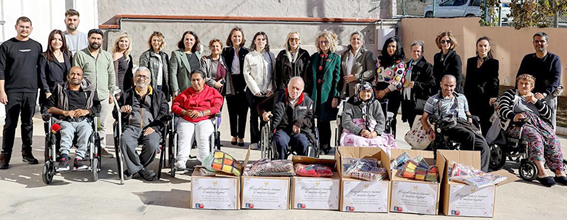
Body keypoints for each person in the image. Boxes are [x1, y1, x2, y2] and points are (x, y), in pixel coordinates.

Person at [498, 74, 567, 187]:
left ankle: (559, 172)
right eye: (521, 83)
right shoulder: (510, 94)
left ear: (532, 86)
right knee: (535, 137)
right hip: (518, 125)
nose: (524, 86)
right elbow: (503, 108)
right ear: (517, 84)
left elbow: (548, 114)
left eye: (527, 84)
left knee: (552, 137)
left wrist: (537, 102)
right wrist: (514, 116)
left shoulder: (536, 97)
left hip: (538, 124)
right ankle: (541, 172)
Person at [420, 75, 490, 172]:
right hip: (447, 125)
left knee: (484, 146)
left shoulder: (462, 97)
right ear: (441, 84)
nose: (449, 88)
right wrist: (429, 131)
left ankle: (481, 173)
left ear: (455, 85)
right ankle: (466, 168)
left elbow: (468, 113)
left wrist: (471, 125)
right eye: (446, 85)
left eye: (451, 86)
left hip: (464, 124)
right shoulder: (433, 100)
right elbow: (423, 119)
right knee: (469, 136)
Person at [0, 16, 43, 169]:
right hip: (12, 91)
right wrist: (1, 92)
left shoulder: (37, 46)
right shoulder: (6, 46)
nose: (24, 29)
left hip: (31, 91)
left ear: (31, 29)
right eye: (21, 26)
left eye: (27, 27)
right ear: (16, 27)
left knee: (27, 123)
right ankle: (5, 156)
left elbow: (41, 70)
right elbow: (1, 71)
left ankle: (27, 153)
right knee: (10, 124)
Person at [113, 67, 169, 181]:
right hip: (131, 126)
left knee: (153, 145)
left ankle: (132, 169)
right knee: (124, 140)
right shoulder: (126, 95)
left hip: (151, 127)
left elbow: (165, 113)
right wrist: (122, 111)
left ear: (149, 80)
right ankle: (142, 170)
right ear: (134, 79)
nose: (141, 79)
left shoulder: (159, 95)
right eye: (138, 76)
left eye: (144, 76)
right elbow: (115, 112)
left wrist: (155, 127)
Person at [46, 66, 100, 171]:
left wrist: (86, 111)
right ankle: (64, 158)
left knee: (87, 130)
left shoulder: (90, 90)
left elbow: (98, 107)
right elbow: (49, 108)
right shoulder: (59, 89)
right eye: (73, 74)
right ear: (68, 77)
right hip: (66, 120)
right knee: (67, 130)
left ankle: (78, 159)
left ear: (82, 78)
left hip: (83, 121)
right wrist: (64, 112)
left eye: (78, 74)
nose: (75, 76)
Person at [73, 28, 116, 158]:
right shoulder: (80, 55)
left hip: (102, 96)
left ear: (102, 40)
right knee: (85, 123)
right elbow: (75, 74)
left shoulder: (107, 56)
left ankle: (100, 147)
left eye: (98, 38)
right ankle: (85, 148)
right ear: (88, 39)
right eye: (93, 38)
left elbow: (111, 74)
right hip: (86, 96)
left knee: (100, 123)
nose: (95, 41)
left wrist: (110, 92)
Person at [172, 70, 222, 169]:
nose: (196, 83)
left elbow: (217, 107)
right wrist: (185, 112)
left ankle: (205, 160)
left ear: (204, 80)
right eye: (193, 80)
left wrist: (202, 113)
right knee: (185, 135)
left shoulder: (212, 92)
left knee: (202, 135)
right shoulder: (186, 92)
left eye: (198, 80)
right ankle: (181, 160)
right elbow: (174, 105)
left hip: (205, 118)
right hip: (187, 118)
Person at [259, 77, 314, 159]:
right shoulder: (278, 97)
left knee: (303, 142)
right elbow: (260, 106)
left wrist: (299, 123)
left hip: (300, 131)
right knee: (280, 142)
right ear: (288, 87)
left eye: (297, 89)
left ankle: (301, 167)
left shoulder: (308, 102)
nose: (294, 91)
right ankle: (282, 165)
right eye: (292, 87)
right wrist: (264, 114)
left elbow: (309, 120)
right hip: (282, 129)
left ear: (302, 90)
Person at [517, 32, 561, 130]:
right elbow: (520, 77)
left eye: (542, 41)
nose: (539, 43)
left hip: (548, 95)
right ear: (533, 43)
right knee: (531, 122)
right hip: (530, 95)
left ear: (547, 43)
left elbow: (556, 80)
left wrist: (544, 94)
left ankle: (551, 143)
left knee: (549, 123)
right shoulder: (528, 59)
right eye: (536, 41)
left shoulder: (554, 59)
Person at [305, 30, 340, 153]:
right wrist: (306, 91)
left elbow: (337, 78)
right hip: (315, 93)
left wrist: (336, 96)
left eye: (325, 42)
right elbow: (308, 76)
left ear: (330, 43)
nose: (323, 44)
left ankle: (325, 145)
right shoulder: (314, 57)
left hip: (327, 94)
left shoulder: (335, 58)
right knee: (314, 119)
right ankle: (315, 143)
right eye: (321, 42)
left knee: (324, 120)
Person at [340, 82, 397, 154]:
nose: (366, 94)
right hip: (354, 131)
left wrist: (375, 133)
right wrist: (361, 131)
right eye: (363, 91)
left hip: (373, 131)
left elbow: (381, 121)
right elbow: (346, 121)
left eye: (368, 91)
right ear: (358, 92)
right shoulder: (350, 103)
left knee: (378, 142)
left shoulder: (375, 103)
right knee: (357, 141)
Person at [243, 31, 275, 150]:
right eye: (258, 39)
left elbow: (273, 74)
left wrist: (270, 88)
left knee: (265, 115)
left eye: (263, 39)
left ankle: (264, 139)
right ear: (254, 41)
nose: (261, 41)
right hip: (253, 91)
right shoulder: (249, 56)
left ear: (266, 42)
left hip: (267, 91)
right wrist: (255, 90)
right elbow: (246, 74)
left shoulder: (270, 56)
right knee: (253, 116)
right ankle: (254, 140)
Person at [464, 36, 499, 136]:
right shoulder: (471, 61)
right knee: (472, 120)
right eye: (480, 46)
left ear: (488, 48)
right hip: (472, 96)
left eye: (485, 46)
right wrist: (465, 95)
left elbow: (494, 80)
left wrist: (493, 95)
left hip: (486, 97)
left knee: (485, 123)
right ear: (476, 47)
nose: (482, 48)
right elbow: (468, 79)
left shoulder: (493, 62)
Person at [222, 27, 249, 147]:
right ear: (231, 38)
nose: (237, 38)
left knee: (243, 111)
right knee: (232, 110)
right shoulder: (226, 51)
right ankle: (234, 135)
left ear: (242, 38)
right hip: (231, 81)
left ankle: (241, 136)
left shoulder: (247, 52)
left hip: (244, 82)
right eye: (234, 36)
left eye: (239, 36)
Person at [401, 40, 435, 127]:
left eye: (418, 51)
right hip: (407, 101)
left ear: (422, 52)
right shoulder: (407, 65)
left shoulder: (427, 67)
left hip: (418, 102)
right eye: (414, 51)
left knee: (420, 130)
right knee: (411, 128)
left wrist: (417, 84)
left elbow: (432, 83)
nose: (416, 53)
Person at [38, 29, 72, 113]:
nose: (57, 42)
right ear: (50, 41)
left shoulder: (68, 55)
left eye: (60, 39)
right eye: (54, 39)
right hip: (50, 92)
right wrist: (47, 91)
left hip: (64, 92)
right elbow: (42, 75)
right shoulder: (44, 56)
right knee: (50, 120)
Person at [374, 37, 405, 122]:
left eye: (393, 46)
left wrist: (384, 92)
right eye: (388, 46)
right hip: (378, 91)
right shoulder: (379, 60)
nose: (391, 48)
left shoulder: (400, 63)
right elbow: (374, 75)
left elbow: (397, 80)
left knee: (389, 119)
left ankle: (391, 135)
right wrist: (375, 90)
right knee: (378, 119)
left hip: (392, 93)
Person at [338, 31, 376, 98]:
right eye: (353, 39)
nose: (355, 40)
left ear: (362, 42)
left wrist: (355, 77)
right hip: (345, 90)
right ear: (350, 41)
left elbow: (371, 71)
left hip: (360, 91)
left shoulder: (367, 54)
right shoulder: (345, 54)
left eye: (358, 39)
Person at [139, 31, 170, 100]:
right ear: (151, 42)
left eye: (158, 40)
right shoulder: (146, 55)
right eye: (154, 40)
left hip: (163, 87)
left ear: (161, 42)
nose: (156, 42)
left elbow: (168, 73)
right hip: (151, 87)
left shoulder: (164, 56)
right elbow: (142, 73)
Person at [170, 31, 202, 97]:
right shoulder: (176, 54)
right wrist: (175, 90)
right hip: (183, 90)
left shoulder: (198, 55)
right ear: (183, 41)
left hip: (197, 91)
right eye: (187, 39)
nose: (189, 41)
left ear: (195, 41)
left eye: (191, 39)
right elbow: (173, 73)